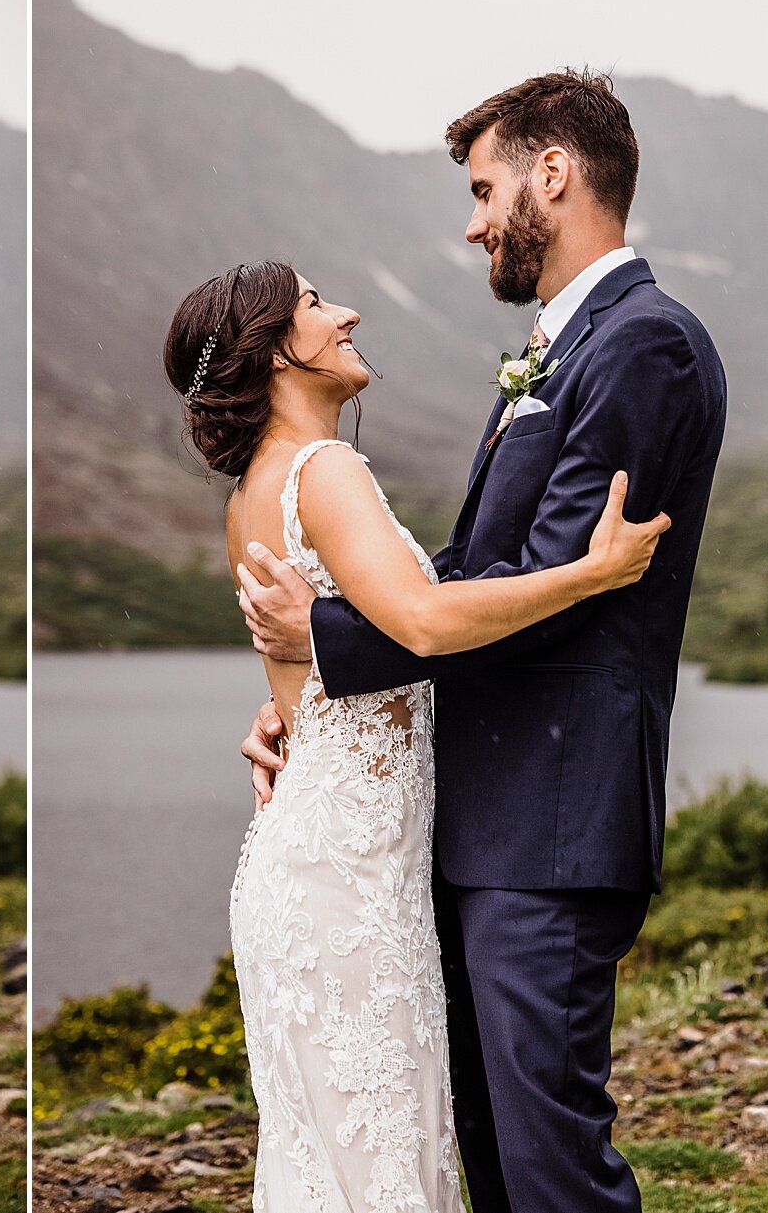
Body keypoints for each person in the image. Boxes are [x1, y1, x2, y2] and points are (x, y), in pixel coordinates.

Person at [236, 70, 728, 1212]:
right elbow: (471, 576)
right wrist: (316, 700)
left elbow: (555, 577)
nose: (473, 222)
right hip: (484, 822)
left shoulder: (643, 344)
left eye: (484, 187)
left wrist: (331, 640)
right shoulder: (565, 350)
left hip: (551, 824)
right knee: (495, 1161)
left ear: (553, 176)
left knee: (554, 1168)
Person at [163, 255, 668, 1210]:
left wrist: (288, 710)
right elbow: (428, 624)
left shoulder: (254, 491)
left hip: (320, 862)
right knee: (382, 1163)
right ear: (276, 352)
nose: (347, 311)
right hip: (346, 882)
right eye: (316, 304)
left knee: (338, 1161)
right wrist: (592, 574)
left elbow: (330, 649)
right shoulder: (325, 468)